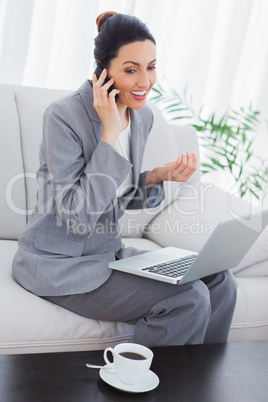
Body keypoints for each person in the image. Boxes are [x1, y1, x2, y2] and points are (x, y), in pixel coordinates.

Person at [12, 11, 237, 346]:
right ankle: (142, 386)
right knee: (188, 297)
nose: (145, 81)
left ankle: (198, 383)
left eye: (151, 67)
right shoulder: (64, 116)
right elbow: (78, 217)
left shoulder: (141, 117)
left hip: (108, 254)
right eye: (131, 70)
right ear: (103, 71)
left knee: (221, 281)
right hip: (59, 266)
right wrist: (109, 135)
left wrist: (156, 177)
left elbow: (115, 199)